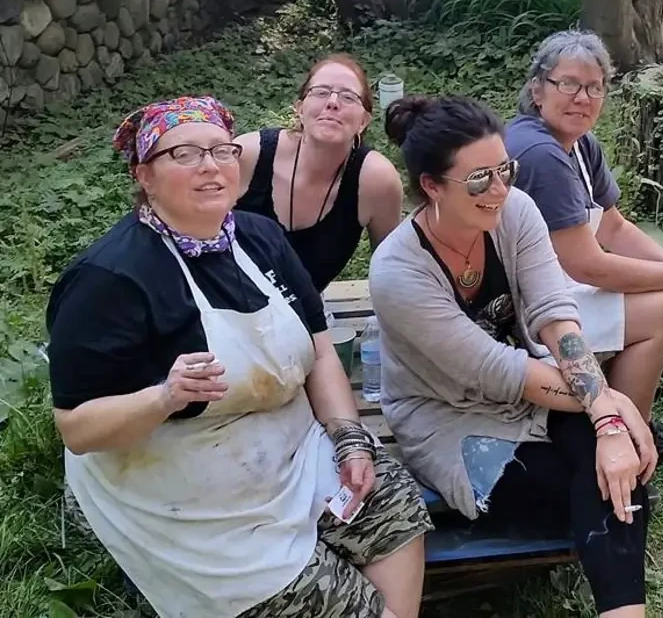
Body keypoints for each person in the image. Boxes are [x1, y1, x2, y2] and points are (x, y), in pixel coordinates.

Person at [46, 96, 431, 618]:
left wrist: (346, 438)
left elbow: (318, 348)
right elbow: (78, 429)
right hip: (185, 489)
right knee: (327, 600)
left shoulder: (259, 237)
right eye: (183, 154)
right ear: (145, 175)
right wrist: (164, 397)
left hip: (287, 449)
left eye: (221, 151)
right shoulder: (109, 279)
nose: (209, 166)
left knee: (392, 503)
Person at [370, 94, 658, 618]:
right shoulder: (397, 272)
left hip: (537, 390)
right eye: (479, 179)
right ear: (431, 187)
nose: (499, 189)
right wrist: (611, 403)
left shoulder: (515, 211)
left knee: (622, 469)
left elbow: (555, 314)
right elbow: (496, 370)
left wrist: (609, 421)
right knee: (598, 481)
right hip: (450, 417)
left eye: (505, 169)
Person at [505, 29, 663, 467]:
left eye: (595, 87)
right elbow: (588, 265)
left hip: (557, 291)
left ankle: (621, 423)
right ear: (537, 89)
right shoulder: (539, 153)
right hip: (527, 315)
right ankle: (633, 437)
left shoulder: (577, 144)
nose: (583, 97)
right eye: (569, 84)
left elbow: (614, 228)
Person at [236, 54, 403, 292]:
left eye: (348, 96)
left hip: (306, 318)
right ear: (300, 109)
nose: (333, 102)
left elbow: (392, 270)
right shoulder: (248, 155)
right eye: (321, 92)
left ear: (363, 121)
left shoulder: (377, 181)